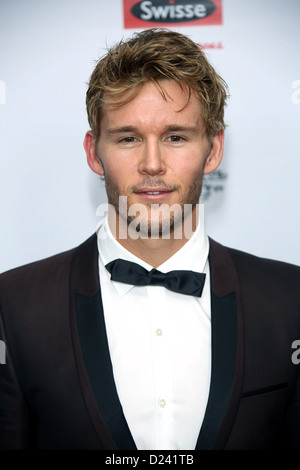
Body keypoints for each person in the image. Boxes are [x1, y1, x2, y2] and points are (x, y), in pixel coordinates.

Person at [0, 28, 299, 451]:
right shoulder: (13, 306)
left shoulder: (289, 300)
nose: (153, 164)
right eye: (128, 138)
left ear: (213, 151)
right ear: (93, 152)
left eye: (176, 136)